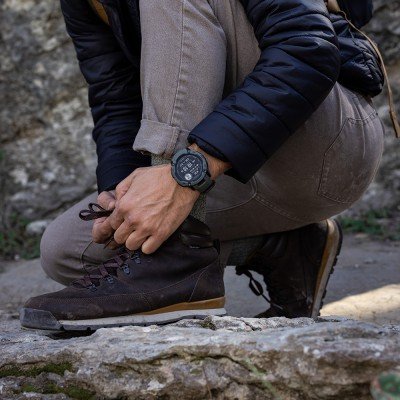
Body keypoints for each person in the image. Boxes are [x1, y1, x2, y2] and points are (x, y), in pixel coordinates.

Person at [20, 0, 386, 331]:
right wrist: (118, 191)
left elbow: (308, 49)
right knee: (67, 249)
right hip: (237, 161)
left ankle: (174, 255)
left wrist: (184, 176)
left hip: (326, 144)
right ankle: (285, 247)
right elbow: (115, 98)